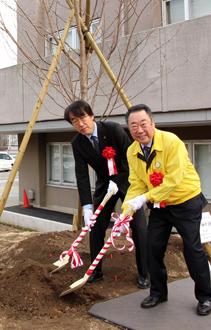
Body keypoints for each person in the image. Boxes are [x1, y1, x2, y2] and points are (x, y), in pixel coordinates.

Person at [122, 104, 211, 316]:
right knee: (152, 247)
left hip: (185, 201)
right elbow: (135, 182)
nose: (139, 130)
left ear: (153, 123)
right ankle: (158, 292)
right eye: (133, 126)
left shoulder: (172, 142)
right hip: (159, 205)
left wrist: (144, 198)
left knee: (192, 249)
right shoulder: (132, 151)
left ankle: (205, 297)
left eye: (143, 124)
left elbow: (173, 180)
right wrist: (126, 210)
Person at [64, 100, 149, 288]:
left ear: (91, 116)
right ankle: (96, 271)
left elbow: (130, 159)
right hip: (104, 185)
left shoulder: (112, 129)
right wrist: (86, 206)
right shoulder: (77, 143)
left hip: (128, 182)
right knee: (95, 227)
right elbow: (81, 174)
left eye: (83, 117)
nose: (80, 123)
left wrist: (117, 181)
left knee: (140, 227)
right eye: (74, 121)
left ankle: (144, 272)